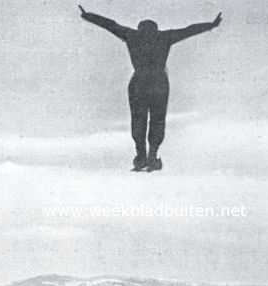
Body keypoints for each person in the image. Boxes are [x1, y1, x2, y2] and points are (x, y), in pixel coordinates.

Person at [79, 6, 222, 171]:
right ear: (156, 28)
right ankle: (152, 156)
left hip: (138, 83)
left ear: (140, 28)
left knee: (138, 119)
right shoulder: (164, 36)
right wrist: (211, 25)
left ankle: (140, 156)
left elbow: (110, 24)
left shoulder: (131, 35)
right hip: (159, 84)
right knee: (158, 120)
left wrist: (88, 15)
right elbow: (189, 30)